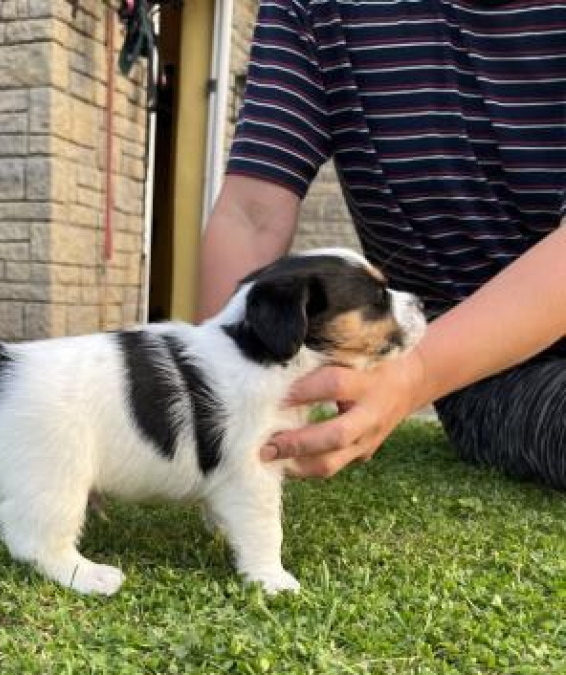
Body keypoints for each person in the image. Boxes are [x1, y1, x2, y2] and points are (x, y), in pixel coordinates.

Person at [199, 0, 566, 491]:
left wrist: (415, 373)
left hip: (436, 361)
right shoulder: (314, 11)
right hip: (486, 373)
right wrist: (218, 393)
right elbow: (251, 214)